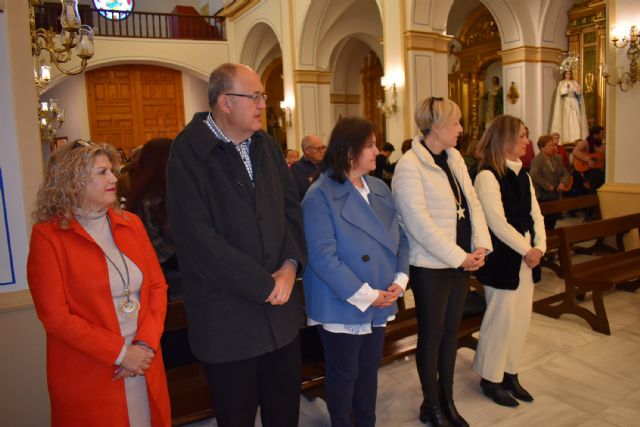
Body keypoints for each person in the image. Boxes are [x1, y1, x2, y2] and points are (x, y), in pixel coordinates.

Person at [166, 63, 307, 427]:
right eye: (255, 96)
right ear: (225, 102)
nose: (264, 104)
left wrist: (290, 266)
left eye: (264, 96)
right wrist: (265, 284)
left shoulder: (266, 146)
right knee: (237, 418)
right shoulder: (189, 153)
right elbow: (198, 239)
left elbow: (292, 212)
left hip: (280, 317)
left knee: (284, 416)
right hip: (227, 322)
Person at [27, 140, 171, 427]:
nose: (114, 179)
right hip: (91, 369)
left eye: (112, 171)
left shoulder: (131, 223)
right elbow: (55, 317)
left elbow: (157, 287)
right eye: (103, 172)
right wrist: (120, 353)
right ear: (73, 181)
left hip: (144, 360)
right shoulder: (48, 237)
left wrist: (144, 345)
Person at [302, 117, 410, 427]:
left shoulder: (378, 187)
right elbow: (323, 258)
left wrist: (400, 281)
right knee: (344, 373)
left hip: (382, 296)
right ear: (350, 152)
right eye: (371, 145)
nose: (378, 151)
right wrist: (367, 295)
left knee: (368, 370)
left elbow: (400, 238)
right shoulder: (320, 195)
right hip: (342, 301)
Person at [393, 97, 492, 427]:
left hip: (461, 261)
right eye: (456, 123)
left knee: (452, 333)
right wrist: (459, 257)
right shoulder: (410, 165)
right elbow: (418, 224)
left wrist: (480, 246)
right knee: (432, 335)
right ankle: (430, 404)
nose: (461, 129)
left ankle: (447, 399)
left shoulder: (455, 158)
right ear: (435, 127)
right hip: (431, 267)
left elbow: (472, 204)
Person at [473, 115, 546, 408]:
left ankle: (510, 373)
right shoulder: (487, 175)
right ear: (505, 141)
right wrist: (526, 249)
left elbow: (536, 215)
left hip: (527, 256)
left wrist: (539, 247)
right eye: (522, 136)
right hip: (504, 258)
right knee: (500, 320)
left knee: (520, 320)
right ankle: (490, 378)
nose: (527, 141)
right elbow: (496, 223)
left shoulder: (524, 175)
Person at [126, 138, 181, 300]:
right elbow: (158, 249)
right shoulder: (149, 200)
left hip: (179, 275)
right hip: (170, 282)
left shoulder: (166, 193)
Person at [529, 135, 571, 229]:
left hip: (555, 194)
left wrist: (563, 183)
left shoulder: (557, 158)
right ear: (542, 148)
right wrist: (547, 185)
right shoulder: (537, 160)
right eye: (549, 146)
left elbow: (565, 173)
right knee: (545, 221)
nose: (553, 148)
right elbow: (533, 174)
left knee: (553, 219)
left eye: (553, 145)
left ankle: (550, 236)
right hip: (543, 196)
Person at [549, 68, 588, 145]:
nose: (568, 75)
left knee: (575, 119)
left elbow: (578, 95)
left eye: (569, 73)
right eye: (567, 73)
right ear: (564, 74)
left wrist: (578, 91)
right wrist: (565, 89)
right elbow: (561, 94)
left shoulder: (575, 83)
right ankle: (567, 138)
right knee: (567, 119)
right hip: (566, 102)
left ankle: (576, 138)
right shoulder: (561, 83)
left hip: (574, 102)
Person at [572, 125, 606, 195]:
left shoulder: (602, 145)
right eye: (602, 134)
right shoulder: (585, 142)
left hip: (596, 168)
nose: (604, 136)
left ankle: (595, 196)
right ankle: (591, 196)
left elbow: (602, 158)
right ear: (595, 135)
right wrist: (587, 159)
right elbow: (575, 151)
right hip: (584, 169)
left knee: (603, 175)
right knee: (599, 175)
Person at [291, 134, 326, 198]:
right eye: (318, 148)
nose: (322, 151)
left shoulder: (326, 165)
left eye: (323, 147)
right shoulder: (297, 168)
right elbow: (306, 191)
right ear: (307, 150)